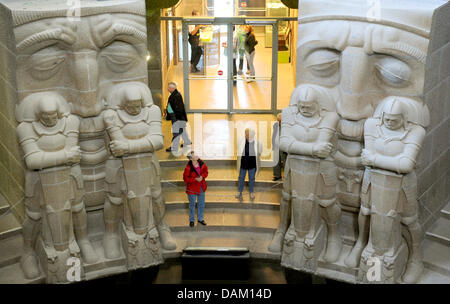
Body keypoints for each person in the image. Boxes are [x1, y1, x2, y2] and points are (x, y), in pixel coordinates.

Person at [236, 128, 263, 200]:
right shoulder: (241, 141)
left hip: (252, 164)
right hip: (243, 163)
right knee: (241, 178)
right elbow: (239, 151)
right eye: (247, 134)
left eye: (250, 135)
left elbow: (260, 152)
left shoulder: (258, 142)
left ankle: (251, 192)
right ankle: (239, 191)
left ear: (253, 135)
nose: (248, 136)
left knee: (252, 178)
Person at [183, 151, 208, 227]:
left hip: (201, 187)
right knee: (192, 204)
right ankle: (192, 220)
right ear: (191, 158)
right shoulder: (188, 168)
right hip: (192, 189)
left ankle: (200, 218)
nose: (197, 155)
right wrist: (195, 179)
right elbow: (185, 179)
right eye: (194, 155)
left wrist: (202, 177)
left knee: (201, 204)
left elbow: (206, 172)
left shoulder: (201, 163)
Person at [165, 82, 191, 152]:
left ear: (172, 88)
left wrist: (177, 120)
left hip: (177, 117)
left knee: (176, 132)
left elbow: (178, 109)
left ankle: (174, 147)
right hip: (178, 117)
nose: (167, 89)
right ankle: (187, 141)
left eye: (168, 87)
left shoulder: (176, 96)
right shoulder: (175, 94)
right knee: (182, 130)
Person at [272, 113, 287, 181]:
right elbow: (273, 135)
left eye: (280, 121)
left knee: (285, 162)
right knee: (276, 161)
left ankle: (286, 176)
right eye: (278, 120)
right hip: (276, 146)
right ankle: (277, 175)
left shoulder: (287, 126)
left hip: (284, 147)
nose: (279, 122)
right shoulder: (275, 125)